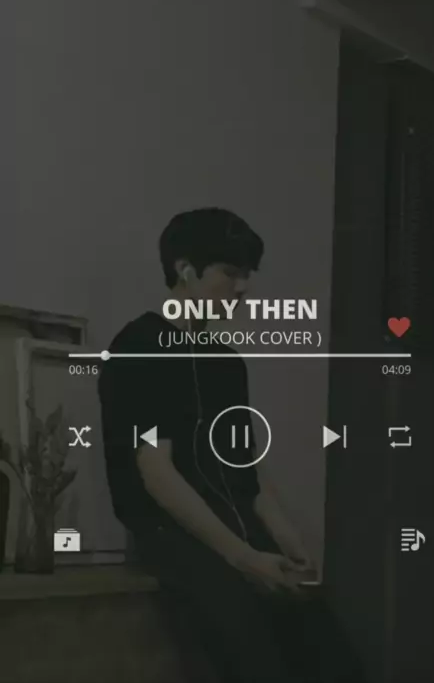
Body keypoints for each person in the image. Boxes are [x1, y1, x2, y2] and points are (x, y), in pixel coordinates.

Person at [98, 207, 364, 683]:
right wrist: (243, 557)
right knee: (254, 653)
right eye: (229, 271)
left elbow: (247, 470)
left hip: (238, 526)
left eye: (247, 274)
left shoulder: (226, 362)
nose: (243, 287)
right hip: (173, 533)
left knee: (329, 649)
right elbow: (156, 473)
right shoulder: (138, 344)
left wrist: (289, 540)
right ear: (185, 270)